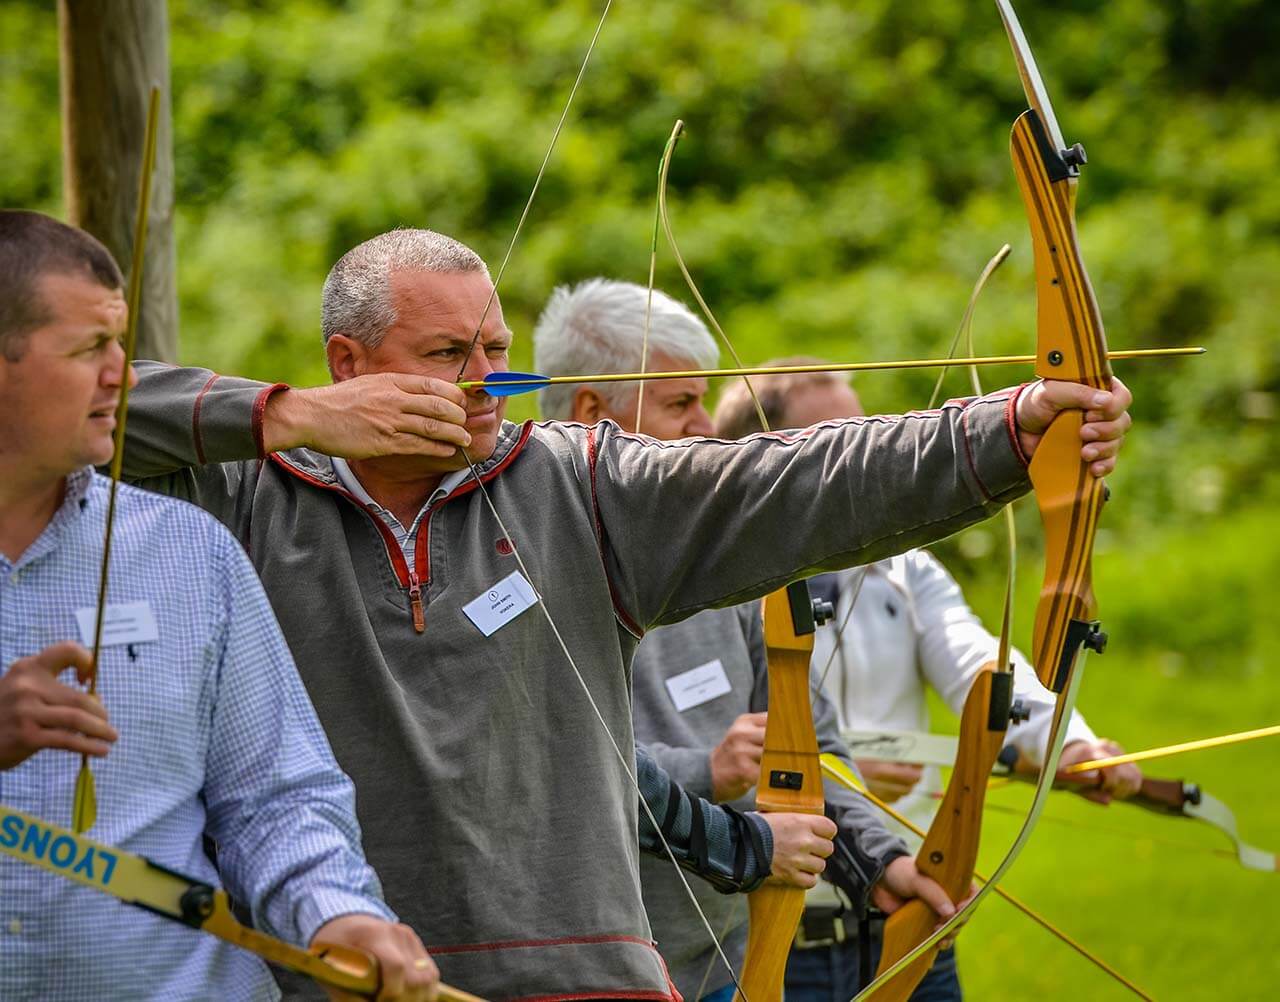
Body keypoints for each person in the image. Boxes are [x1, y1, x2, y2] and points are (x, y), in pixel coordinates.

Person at [120, 227, 1131, 1000]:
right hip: (346, 972)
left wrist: (1006, 430)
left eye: (496, 346)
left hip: (587, 977)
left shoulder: (575, 482)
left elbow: (785, 479)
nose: (487, 382)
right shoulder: (251, 495)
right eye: (446, 355)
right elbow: (69, 399)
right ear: (347, 363)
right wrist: (288, 419)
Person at [0, 210, 438, 1001]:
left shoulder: (188, 551)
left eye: (120, 344)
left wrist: (337, 917)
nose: (121, 377)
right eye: (87, 349)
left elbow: (275, 801)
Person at [533, 279, 968, 1001]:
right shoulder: (528, 565)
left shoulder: (723, 566)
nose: (707, 426)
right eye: (680, 404)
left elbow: (809, 744)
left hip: (725, 959)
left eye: (705, 400)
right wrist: (707, 768)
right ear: (592, 413)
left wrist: (884, 865)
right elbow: (561, 763)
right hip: (592, 966)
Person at [714, 361, 1144, 1002]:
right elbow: (694, 755)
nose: (859, 456)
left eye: (864, 434)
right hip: (766, 935)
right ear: (761, 458)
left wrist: (1068, 744)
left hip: (908, 915)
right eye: (831, 442)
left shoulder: (902, 569)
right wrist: (849, 773)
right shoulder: (713, 583)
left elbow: (979, 665)